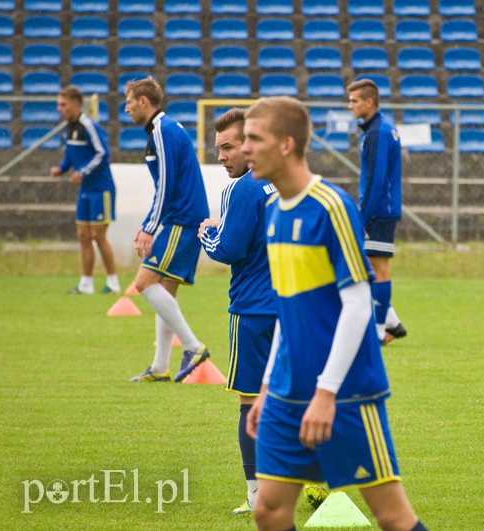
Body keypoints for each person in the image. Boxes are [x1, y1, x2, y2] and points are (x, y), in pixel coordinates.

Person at [241, 96, 427, 531]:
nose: (245, 148)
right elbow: (289, 314)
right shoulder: (272, 212)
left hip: (345, 394)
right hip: (286, 391)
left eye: (254, 138)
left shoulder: (331, 206)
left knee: (392, 518)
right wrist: (268, 386)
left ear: (286, 144)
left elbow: (359, 303)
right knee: (267, 510)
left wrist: (326, 393)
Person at [198, 108, 278, 516]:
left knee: (251, 401)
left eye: (228, 147)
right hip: (290, 308)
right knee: (290, 399)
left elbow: (228, 249)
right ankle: (314, 486)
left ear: (250, 145)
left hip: (251, 309)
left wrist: (207, 233)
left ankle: (256, 494)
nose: (221, 156)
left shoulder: (242, 189)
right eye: (219, 149)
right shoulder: (280, 183)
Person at [123, 77, 211, 384]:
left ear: (144, 102)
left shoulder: (162, 130)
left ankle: (193, 347)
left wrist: (149, 227)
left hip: (182, 219)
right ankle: (160, 367)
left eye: (129, 101)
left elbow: (166, 185)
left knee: (145, 282)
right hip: (184, 218)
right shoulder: (166, 129)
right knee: (165, 290)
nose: (126, 108)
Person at [347, 79, 407, 345]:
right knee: (369, 265)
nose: (350, 106)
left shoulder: (378, 132)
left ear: (369, 102)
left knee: (378, 268)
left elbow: (376, 178)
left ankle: (380, 328)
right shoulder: (376, 129)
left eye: (354, 101)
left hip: (380, 209)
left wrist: (364, 215)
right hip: (381, 207)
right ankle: (391, 321)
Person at [51, 85, 120, 295]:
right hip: (86, 191)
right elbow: (71, 155)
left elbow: (102, 153)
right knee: (83, 235)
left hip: (102, 189)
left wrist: (82, 172)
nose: (58, 108)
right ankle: (86, 283)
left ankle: (113, 282)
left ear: (75, 104)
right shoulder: (68, 127)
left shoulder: (88, 125)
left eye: (62, 104)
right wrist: (61, 169)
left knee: (99, 235)